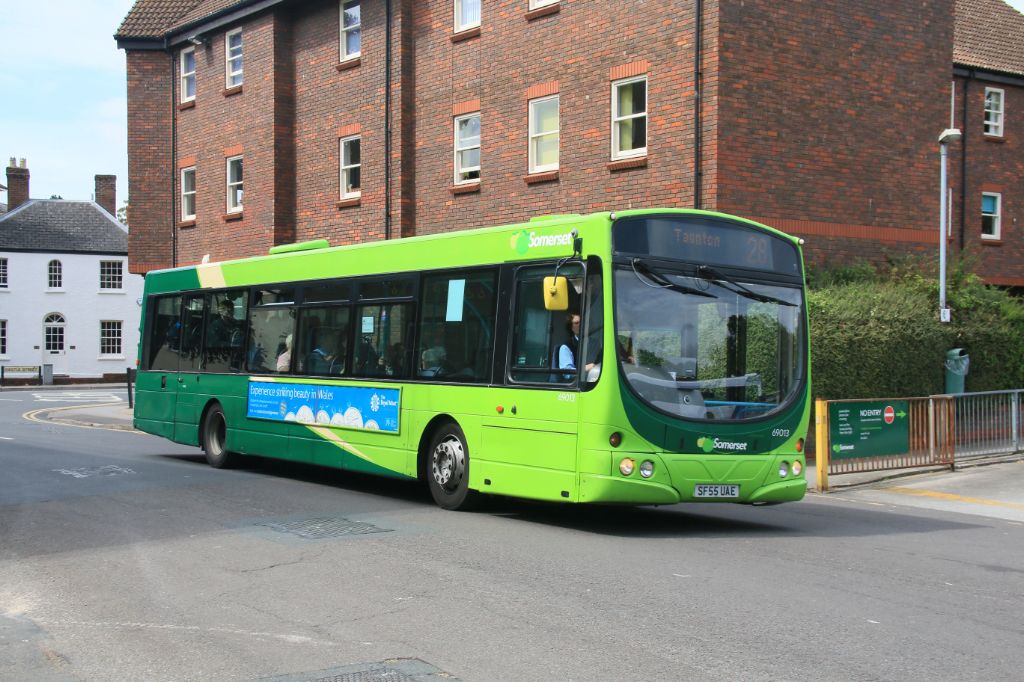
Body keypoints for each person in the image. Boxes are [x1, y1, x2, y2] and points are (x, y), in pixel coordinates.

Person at [558, 313, 595, 379]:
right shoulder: (566, 347)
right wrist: (585, 368)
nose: (581, 324)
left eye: (583, 322)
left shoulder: (596, 343)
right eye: (576, 323)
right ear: (571, 327)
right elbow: (567, 372)